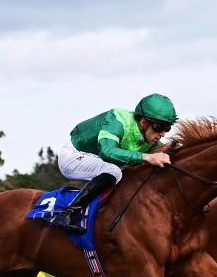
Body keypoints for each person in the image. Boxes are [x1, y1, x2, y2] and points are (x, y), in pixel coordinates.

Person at [50, 93, 178, 231]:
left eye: (167, 128)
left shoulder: (149, 137)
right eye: (159, 127)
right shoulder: (117, 120)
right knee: (114, 172)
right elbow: (107, 151)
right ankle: (67, 214)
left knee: (126, 175)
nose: (163, 134)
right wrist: (146, 157)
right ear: (143, 122)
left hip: (96, 161)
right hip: (73, 157)